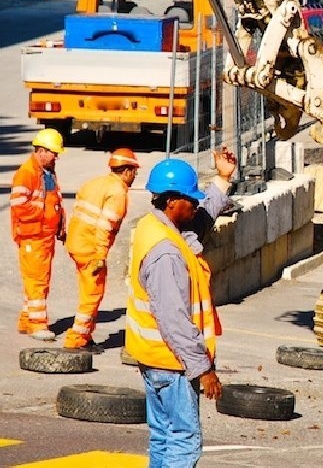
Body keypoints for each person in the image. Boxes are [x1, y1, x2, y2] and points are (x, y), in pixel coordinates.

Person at [125, 158, 228, 467]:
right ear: (171, 202)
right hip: (174, 363)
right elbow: (173, 320)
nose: (195, 206)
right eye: (190, 200)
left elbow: (199, 222)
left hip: (153, 359)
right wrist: (203, 369)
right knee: (184, 441)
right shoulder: (167, 253)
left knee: (163, 435)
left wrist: (223, 180)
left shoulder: (154, 225)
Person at [63, 148, 140, 353]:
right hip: (90, 249)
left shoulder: (94, 183)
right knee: (92, 295)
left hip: (76, 244)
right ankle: (77, 339)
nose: (134, 176)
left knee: (86, 291)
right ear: (126, 171)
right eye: (134, 171)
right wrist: (100, 256)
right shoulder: (118, 193)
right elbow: (105, 228)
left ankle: (84, 335)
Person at [10, 128, 66, 341]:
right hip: (33, 236)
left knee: (36, 279)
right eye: (54, 152)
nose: (57, 156)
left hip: (44, 235)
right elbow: (19, 205)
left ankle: (26, 319)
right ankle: (37, 324)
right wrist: (45, 217)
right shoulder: (27, 173)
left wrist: (59, 223)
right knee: (37, 281)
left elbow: (54, 201)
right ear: (42, 151)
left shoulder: (47, 170)